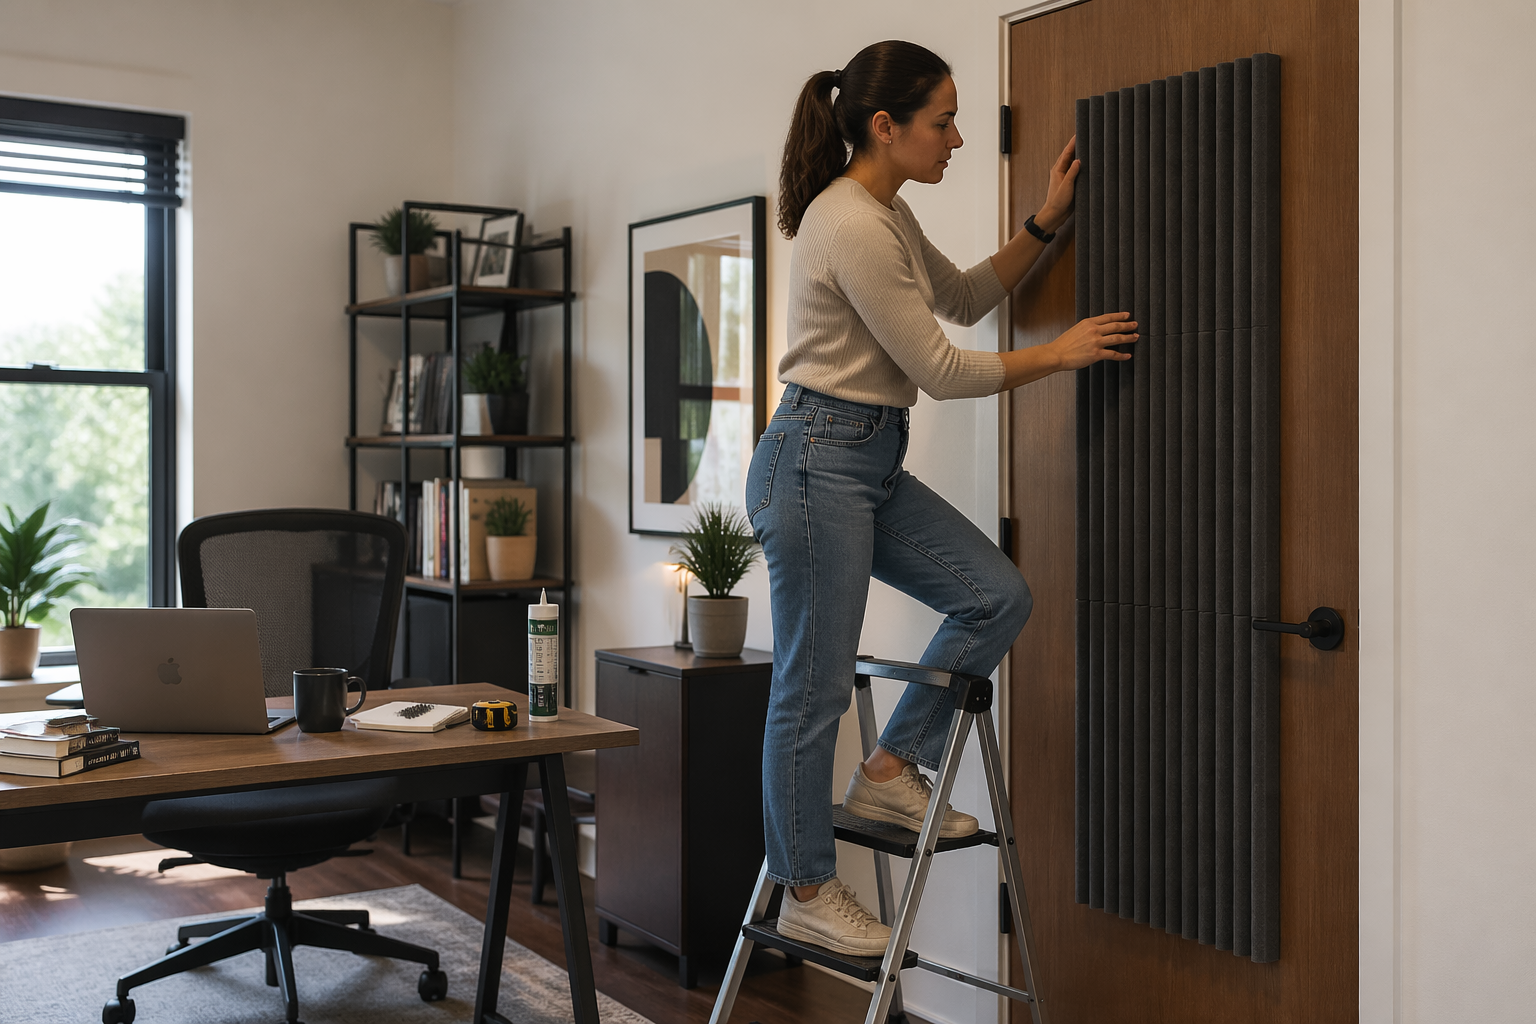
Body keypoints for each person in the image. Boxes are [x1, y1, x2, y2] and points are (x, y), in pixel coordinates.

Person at [748, 39, 1137, 956]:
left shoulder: (886, 212)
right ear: (886, 127)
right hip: (815, 462)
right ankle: (805, 886)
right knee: (811, 692)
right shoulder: (850, 222)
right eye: (944, 120)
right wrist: (1062, 353)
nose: (958, 137)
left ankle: (890, 766)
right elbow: (941, 366)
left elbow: (961, 299)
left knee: (996, 594)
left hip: (866, 459)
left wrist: (1044, 222)